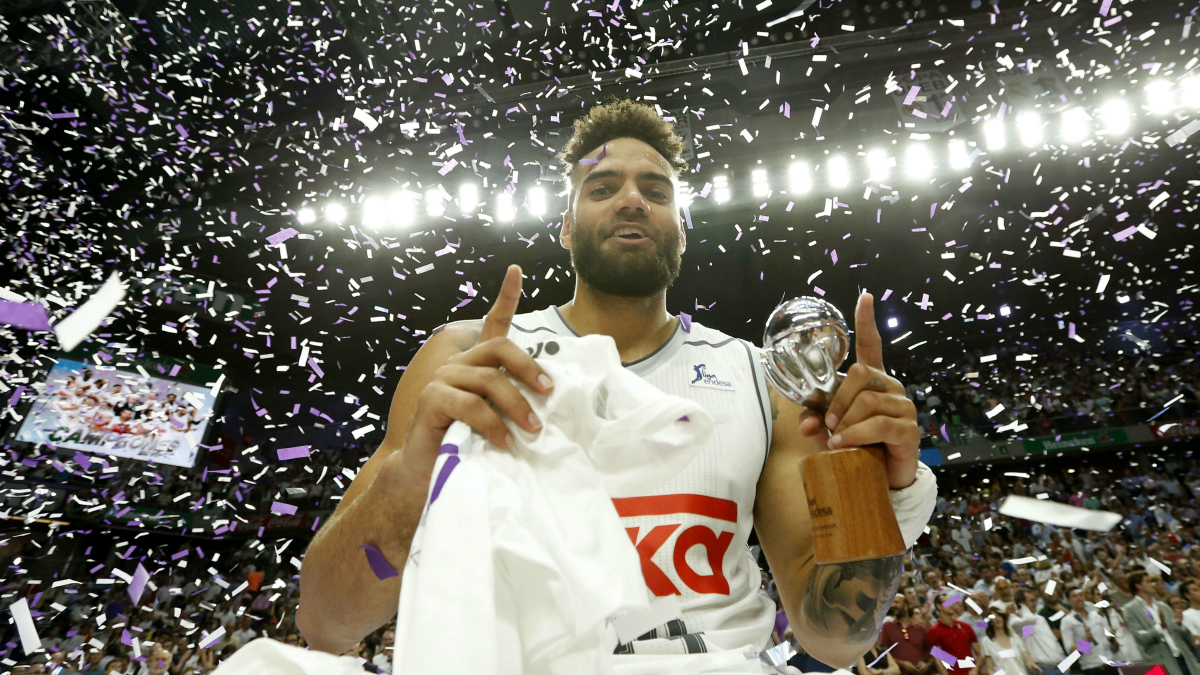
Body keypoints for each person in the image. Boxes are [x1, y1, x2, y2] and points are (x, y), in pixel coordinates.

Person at [296, 99, 934, 666]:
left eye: (656, 190)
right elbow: (325, 621)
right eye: (603, 186)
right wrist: (414, 470)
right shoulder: (467, 357)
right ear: (567, 226)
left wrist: (871, 480)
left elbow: (837, 638)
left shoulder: (758, 376)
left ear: (681, 228)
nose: (633, 199)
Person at [1122, 571, 1200, 675]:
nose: (1152, 585)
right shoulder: (1130, 609)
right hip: (1161, 663)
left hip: (1184, 658)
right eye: (1148, 582)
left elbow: (1187, 638)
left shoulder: (1163, 606)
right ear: (1138, 586)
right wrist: (1159, 627)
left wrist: (1180, 625)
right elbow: (1140, 638)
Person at [1009, 589, 1067, 675]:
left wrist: (1064, 662)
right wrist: (1021, 608)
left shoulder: (1040, 618)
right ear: (1022, 603)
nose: (1035, 603)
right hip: (1042, 668)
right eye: (1032, 601)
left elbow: (1054, 641)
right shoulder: (1017, 622)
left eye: (1035, 600)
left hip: (1060, 666)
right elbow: (1029, 621)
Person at [1059, 587, 1113, 675]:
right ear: (1068, 601)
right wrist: (1086, 641)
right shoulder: (1067, 621)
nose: (1079, 598)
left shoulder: (1096, 615)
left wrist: (1112, 639)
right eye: (1074, 596)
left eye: (1080, 595)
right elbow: (1071, 651)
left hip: (1110, 664)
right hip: (1092, 668)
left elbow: (1110, 641)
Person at [928, 597, 979, 675]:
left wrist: (975, 669)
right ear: (939, 606)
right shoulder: (934, 631)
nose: (951, 605)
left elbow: (979, 652)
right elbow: (938, 660)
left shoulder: (966, 627)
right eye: (947, 602)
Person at [879, 606, 932, 675]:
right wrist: (901, 663)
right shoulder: (887, 626)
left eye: (920, 613)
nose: (920, 615)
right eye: (917, 613)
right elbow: (881, 653)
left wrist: (927, 665)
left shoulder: (921, 629)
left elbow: (933, 652)